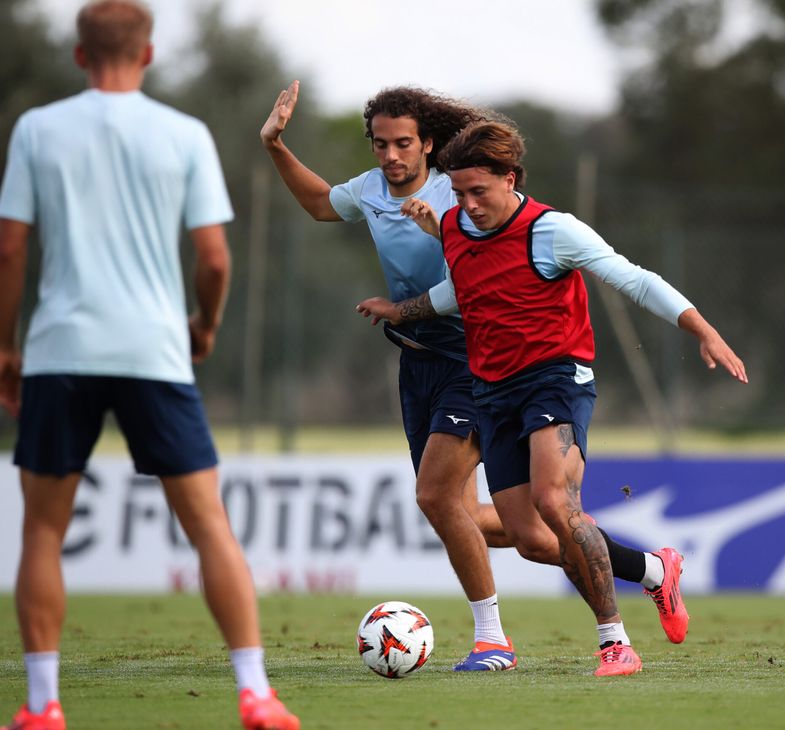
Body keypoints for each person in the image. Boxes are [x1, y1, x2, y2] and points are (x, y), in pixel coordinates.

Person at [260, 84, 689, 670]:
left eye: (403, 143)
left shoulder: (459, 189)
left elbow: (492, 264)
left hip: (476, 359)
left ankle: (496, 639)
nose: (390, 156)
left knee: (437, 495)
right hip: (417, 362)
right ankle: (651, 568)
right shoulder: (368, 190)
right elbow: (317, 204)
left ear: (428, 144)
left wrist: (408, 296)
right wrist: (275, 145)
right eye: (380, 144)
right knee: (524, 533)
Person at [0, 2, 299, 729]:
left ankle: (42, 707)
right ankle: (255, 694)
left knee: (42, 532)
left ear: (78, 56)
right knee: (208, 526)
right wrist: (203, 326)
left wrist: (6, 345)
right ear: (150, 54)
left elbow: (9, 249)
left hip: (61, 351)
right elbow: (215, 259)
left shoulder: (37, 128)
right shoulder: (183, 134)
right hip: (155, 352)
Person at [358, 121, 747, 676]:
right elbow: (458, 291)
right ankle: (656, 571)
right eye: (460, 193)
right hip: (491, 392)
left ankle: (615, 643)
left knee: (553, 500)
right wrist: (404, 310)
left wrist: (702, 328)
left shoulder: (551, 230)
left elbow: (634, 279)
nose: (468, 205)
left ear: (510, 179)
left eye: (479, 193)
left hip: (555, 378)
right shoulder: (454, 227)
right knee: (533, 539)